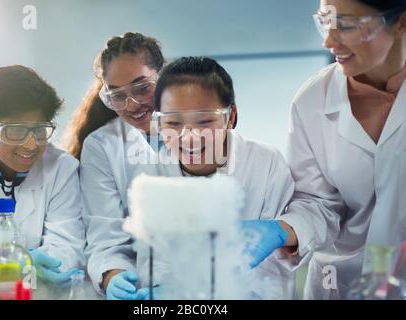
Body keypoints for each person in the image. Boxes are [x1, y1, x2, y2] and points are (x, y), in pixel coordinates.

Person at [111, 56, 298, 300]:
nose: (189, 137)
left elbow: (274, 269)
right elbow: (150, 259)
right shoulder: (149, 173)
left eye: (205, 121)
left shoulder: (265, 164)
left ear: (230, 117)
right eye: (174, 123)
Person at [264, 0, 406, 299]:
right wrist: (284, 229)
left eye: (347, 25)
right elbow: (319, 202)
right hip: (337, 284)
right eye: (325, 21)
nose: (328, 40)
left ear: (401, 22)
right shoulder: (311, 100)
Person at [0, 65, 86, 289]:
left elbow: (67, 248)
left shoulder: (61, 169)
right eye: (15, 130)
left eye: (40, 130)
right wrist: (22, 266)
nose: (31, 144)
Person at [64, 32, 165, 297]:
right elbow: (105, 236)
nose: (133, 104)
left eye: (143, 87)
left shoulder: (201, 131)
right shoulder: (102, 146)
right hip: (140, 287)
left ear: (163, 77)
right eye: (118, 95)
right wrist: (114, 276)